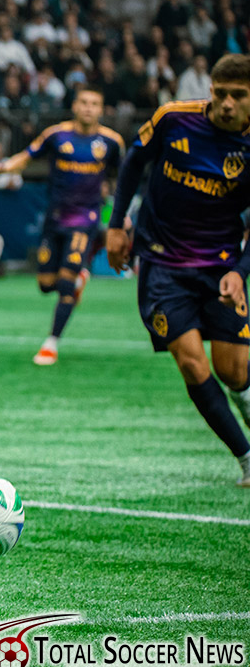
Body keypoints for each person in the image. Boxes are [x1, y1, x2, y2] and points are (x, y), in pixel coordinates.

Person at [106, 54, 250, 488]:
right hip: (161, 263)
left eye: (238, 96)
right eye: (220, 94)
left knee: (235, 371)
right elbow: (133, 163)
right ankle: (245, 458)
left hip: (221, 264)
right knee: (191, 363)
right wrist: (116, 226)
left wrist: (241, 270)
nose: (227, 104)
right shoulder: (173, 118)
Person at [0, 86, 124, 365]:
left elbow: (124, 177)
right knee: (45, 284)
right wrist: (4, 167)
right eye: (84, 102)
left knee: (64, 283)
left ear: (101, 109)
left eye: (94, 103)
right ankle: (78, 280)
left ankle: (51, 343)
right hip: (54, 219)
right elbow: (27, 156)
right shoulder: (55, 135)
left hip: (85, 220)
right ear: (74, 106)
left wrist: (121, 215)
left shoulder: (111, 142)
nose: (88, 108)